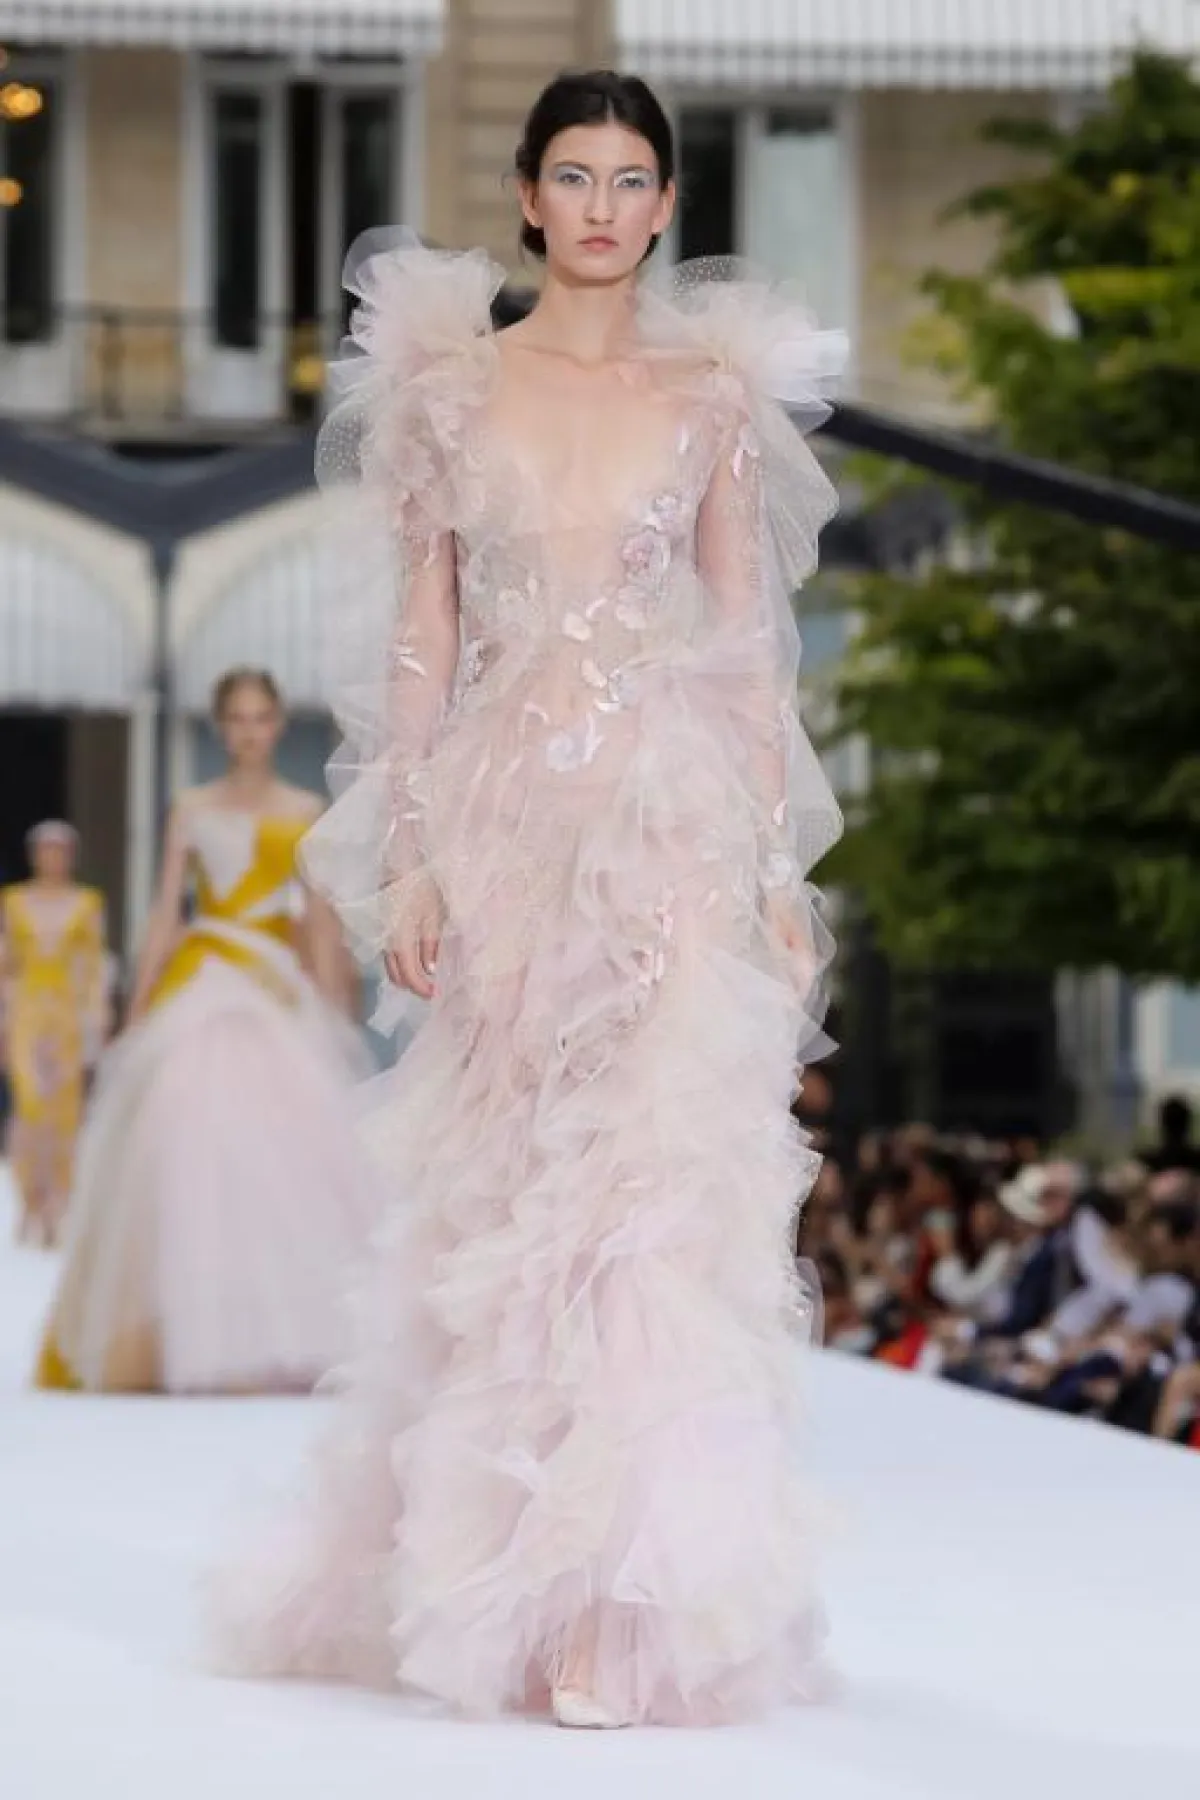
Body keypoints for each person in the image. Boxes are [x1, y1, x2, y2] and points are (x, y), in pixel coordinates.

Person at [212, 70, 846, 1729]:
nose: (603, 208)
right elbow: (418, 645)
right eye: (575, 175)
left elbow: (746, 653)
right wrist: (410, 854)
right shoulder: (448, 391)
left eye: (632, 180)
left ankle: (610, 1612)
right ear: (525, 194)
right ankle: (493, 1570)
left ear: (668, 206)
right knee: (507, 1201)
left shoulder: (710, 398)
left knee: (648, 1194)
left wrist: (773, 874)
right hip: (502, 830)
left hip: (667, 827)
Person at [35, 669, 378, 1394]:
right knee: (183, 1136)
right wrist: (135, 1012)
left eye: (261, 718)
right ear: (221, 727)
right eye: (238, 719)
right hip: (205, 977)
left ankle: (276, 1332)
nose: (250, 732)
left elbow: (318, 919)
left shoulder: (303, 808)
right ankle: (172, 1335)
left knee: (279, 1150)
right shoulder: (191, 808)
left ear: (277, 724)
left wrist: (332, 1006)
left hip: (274, 982)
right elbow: (167, 912)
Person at [0, 822, 109, 1246]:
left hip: (66, 1013)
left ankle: (57, 1204)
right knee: (29, 1104)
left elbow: (94, 966)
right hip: (26, 1010)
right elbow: (5, 964)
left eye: (60, 850)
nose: (52, 857)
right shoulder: (13, 902)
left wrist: (96, 1019)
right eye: (46, 849)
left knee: (64, 1109)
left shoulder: (87, 902)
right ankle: (29, 1199)